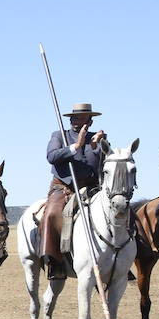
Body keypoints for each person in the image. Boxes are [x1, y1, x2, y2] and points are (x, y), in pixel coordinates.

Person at [41, 103, 108, 280]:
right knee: (52, 214)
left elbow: (107, 164)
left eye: (83, 118)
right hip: (65, 187)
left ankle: (117, 257)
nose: (78, 121)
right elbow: (51, 156)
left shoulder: (99, 139)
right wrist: (76, 146)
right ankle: (55, 260)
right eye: (76, 117)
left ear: (90, 121)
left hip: (93, 188)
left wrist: (96, 147)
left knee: (116, 211)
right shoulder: (60, 136)